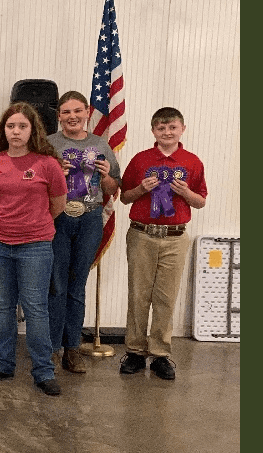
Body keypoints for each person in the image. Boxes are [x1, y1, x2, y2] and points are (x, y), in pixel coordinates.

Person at [0, 102, 67, 396]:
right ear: (3, 130)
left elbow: (57, 205)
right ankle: (2, 364)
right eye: (10, 126)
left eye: (22, 126)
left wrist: (32, 224)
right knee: (2, 308)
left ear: (32, 130)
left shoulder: (47, 164)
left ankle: (43, 371)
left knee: (36, 309)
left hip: (36, 247)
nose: (16, 131)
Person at [119, 107, 207, 381]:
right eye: (161, 128)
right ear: (153, 131)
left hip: (174, 237)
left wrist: (186, 192)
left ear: (182, 129)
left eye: (172, 128)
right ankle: (134, 351)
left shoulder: (191, 162)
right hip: (143, 235)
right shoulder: (141, 160)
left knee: (166, 297)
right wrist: (142, 189)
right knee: (138, 293)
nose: (167, 133)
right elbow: (125, 197)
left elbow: (200, 201)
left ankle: (160, 353)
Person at [47, 91, 121, 374]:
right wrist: (56, 173)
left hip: (89, 220)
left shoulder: (100, 145)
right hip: (58, 220)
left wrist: (106, 177)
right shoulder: (49, 145)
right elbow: (38, 187)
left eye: (77, 111)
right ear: (59, 116)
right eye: (66, 112)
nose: (72, 117)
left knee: (77, 287)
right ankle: (52, 348)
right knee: (56, 285)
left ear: (87, 112)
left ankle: (72, 349)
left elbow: (113, 188)